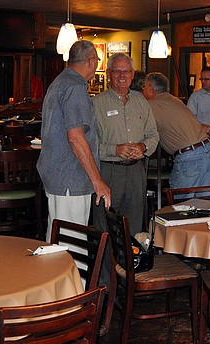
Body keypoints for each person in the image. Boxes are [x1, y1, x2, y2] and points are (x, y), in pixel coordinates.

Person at [37, 40, 111, 241]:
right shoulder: (75, 87)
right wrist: (97, 181)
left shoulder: (59, 82)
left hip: (58, 176)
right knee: (72, 242)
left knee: (57, 239)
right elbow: (76, 138)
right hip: (71, 177)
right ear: (91, 61)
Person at [92, 53, 159, 236]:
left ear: (132, 74)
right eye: (117, 71)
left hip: (136, 171)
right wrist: (114, 150)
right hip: (108, 171)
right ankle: (106, 257)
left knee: (134, 225)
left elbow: (153, 135)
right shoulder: (96, 104)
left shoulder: (142, 102)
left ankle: (132, 256)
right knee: (105, 226)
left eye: (126, 71)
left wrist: (143, 147)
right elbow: (89, 143)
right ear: (108, 74)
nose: (122, 75)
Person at [143, 72, 210, 191]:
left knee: (181, 200)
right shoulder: (175, 100)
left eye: (144, 87)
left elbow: (141, 132)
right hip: (208, 151)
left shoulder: (150, 106)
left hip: (190, 157)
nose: (142, 91)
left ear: (151, 88)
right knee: (202, 200)